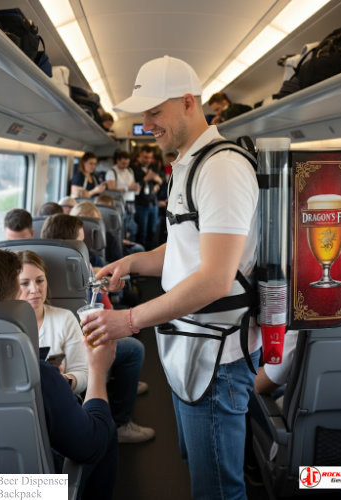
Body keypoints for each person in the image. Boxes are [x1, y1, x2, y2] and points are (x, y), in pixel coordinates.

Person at [81, 55, 260, 499]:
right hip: (190, 344)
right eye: (143, 113)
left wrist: (129, 320)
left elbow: (217, 278)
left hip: (216, 358)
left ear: (187, 103)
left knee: (217, 489)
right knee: (200, 475)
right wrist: (132, 263)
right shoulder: (188, 163)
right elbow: (185, 251)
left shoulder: (221, 167)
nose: (146, 123)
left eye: (155, 112)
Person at [0, 247, 117, 499]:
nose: (33, 290)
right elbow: (90, 446)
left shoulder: (62, 320)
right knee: (104, 431)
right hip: (18, 492)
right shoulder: (35, 374)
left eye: (40, 281)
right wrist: (97, 369)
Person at [40, 210, 154, 443]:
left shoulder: (34, 265)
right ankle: (121, 422)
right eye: (81, 241)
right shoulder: (83, 271)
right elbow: (107, 313)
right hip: (84, 336)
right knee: (134, 349)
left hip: (52, 347)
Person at [16, 249, 88, 394]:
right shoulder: (3, 328)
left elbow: (83, 373)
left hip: (59, 402)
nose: (35, 289)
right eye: (25, 283)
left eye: (40, 280)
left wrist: (65, 380)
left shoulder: (65, 319)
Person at [105, 150, 140, 241]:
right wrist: (127, 189)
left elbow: (132, 184)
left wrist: (136, 188)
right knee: (122, 229)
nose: (125, 166)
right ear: (118, 161)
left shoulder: (130, 170)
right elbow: (111, 189)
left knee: (132, 228)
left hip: (131, 203)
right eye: (123, 163)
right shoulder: (112, 172)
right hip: (119, 203)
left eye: (127, 163)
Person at [132, 145, 162, 249]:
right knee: (142, 232)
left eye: (149, 157)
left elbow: (160, 180)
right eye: (145, 157)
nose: (148, 160)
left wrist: (157, 183)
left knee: (153, 231)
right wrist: (146, 178)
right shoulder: (134, 168)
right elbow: (135, 186)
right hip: (141, 204)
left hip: (153, 203)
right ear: (140, 156)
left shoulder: (154, 167)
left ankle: (152, 255)